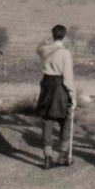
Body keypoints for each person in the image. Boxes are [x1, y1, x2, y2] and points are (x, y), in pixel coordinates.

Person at [35, 24, 76, 169]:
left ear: (52, 34)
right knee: (66, 119)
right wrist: (73, 95)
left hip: (46, 85)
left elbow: (38, 48)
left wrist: (46, 40)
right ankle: (63, 155)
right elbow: (68, 78)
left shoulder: (44, 49)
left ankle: (47, 157)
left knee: (47, 121)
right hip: (60, 87)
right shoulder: (65, 53)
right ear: (64, 36)